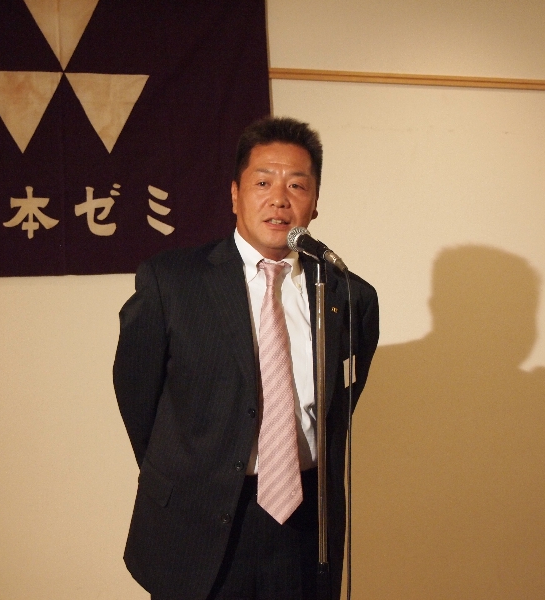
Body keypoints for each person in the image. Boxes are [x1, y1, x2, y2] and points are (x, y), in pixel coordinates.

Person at [114, 116, 379, 600]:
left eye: (296, 185)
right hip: (198, 520)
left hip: (304, 525)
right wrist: (191, 472)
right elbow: (136, 394)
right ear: (235, 194)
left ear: (315, 202)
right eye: (262, 182)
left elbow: (339, 405)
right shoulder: (173, 281)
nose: (279, 199)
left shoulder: (347, 295)